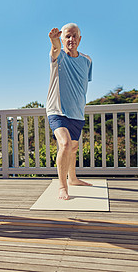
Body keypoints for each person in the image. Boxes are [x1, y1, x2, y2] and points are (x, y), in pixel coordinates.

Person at [46, 23, 93, 200]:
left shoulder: (87, 60)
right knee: (64, 144)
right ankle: (62, 186)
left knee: (72, 148)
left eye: (74, 36)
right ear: (63, 38)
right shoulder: (58, 57)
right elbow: (55, 48)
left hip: (77, 112)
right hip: (57, 110)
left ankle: (73, 179)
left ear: (79, 39)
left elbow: (82, 85)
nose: (71, 39)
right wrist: (54, 41)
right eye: (67, 36)